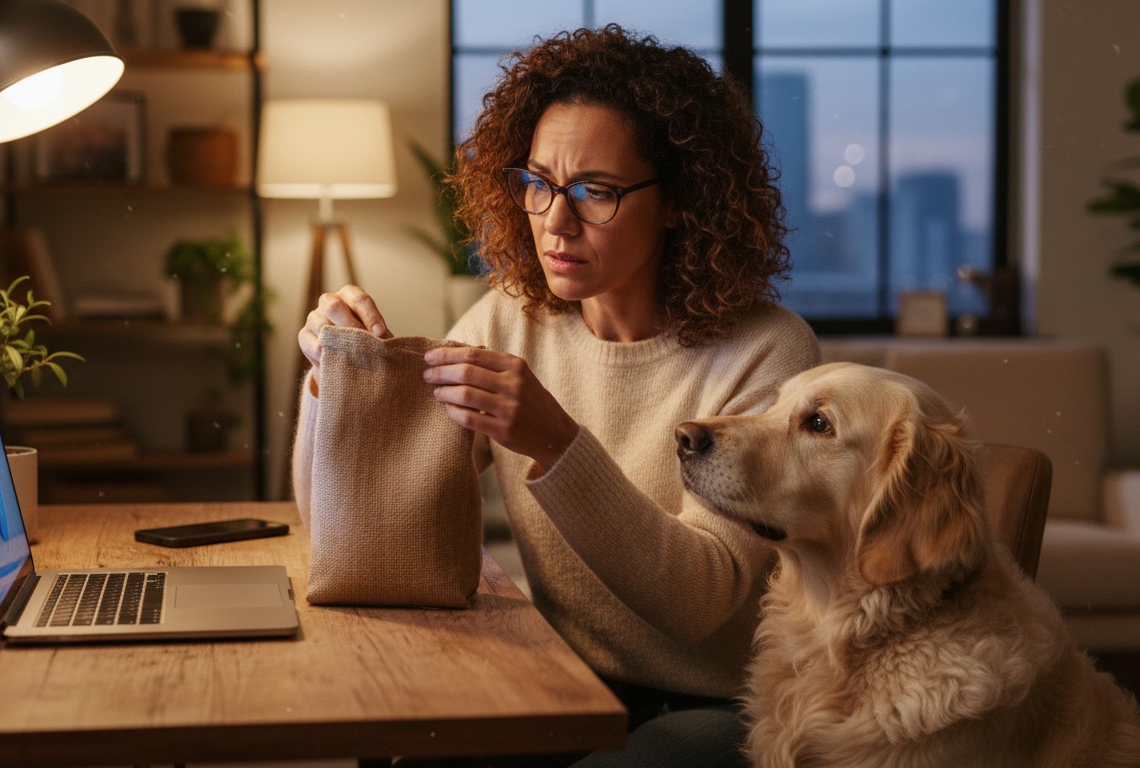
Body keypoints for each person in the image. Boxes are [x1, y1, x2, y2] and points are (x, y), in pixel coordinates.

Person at [292, 25, 822, 768]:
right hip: (563, 680)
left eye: (595, 192)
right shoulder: (510, 319)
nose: (555, 222)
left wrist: (558, 443)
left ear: (679, 201)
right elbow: (359, 534)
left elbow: (699, 604)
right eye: (538, 183)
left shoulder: (767, 352)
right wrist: (331, 378)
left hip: (717, 708)